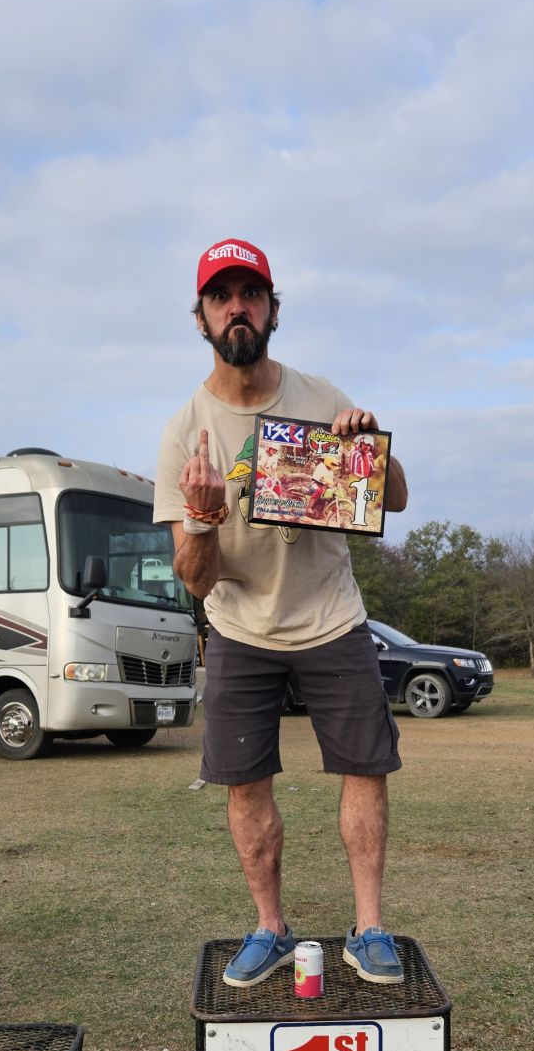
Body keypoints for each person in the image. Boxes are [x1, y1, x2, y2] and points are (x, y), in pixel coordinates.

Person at [153, 238, 409, 988]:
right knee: (245, 782)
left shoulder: (319, 394)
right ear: (200, 317)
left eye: (251, 293)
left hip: (330, 614)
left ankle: (369, 928)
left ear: (271, 309)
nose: (238, 307)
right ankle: (269, 926)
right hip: (239, 628)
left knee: (365, 768)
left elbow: (391, 497)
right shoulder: (183, 432)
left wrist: (369, 450)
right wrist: (200, 520)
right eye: (221, 296)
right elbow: (195, 582)